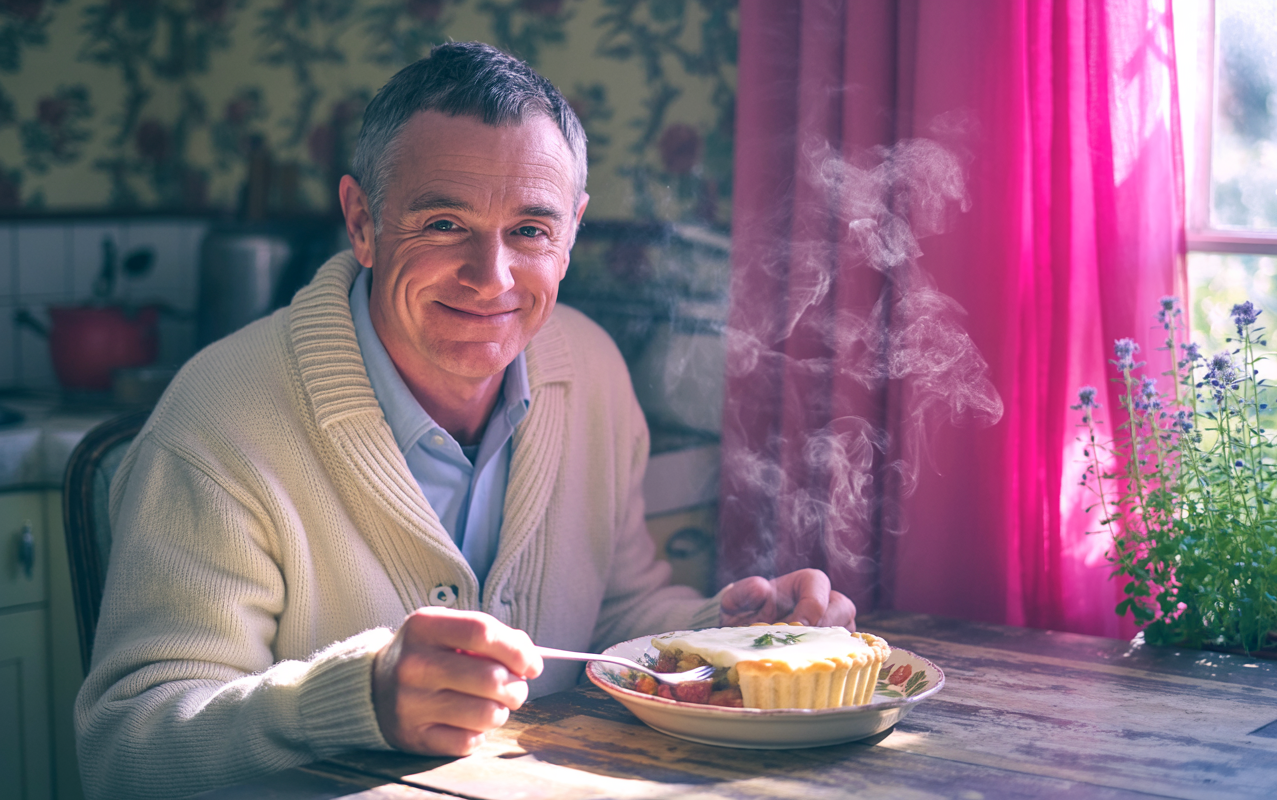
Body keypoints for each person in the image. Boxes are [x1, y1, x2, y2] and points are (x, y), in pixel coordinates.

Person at [75, 42, 856, 799]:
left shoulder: (592, 369)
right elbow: (123, 750)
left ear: (572, 233)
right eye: (444, 223)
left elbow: (617, 613)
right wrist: (360, 698)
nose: (492, 278)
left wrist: (735, 640)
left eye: (529, 230)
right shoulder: (219, 418)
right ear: (362, 221)